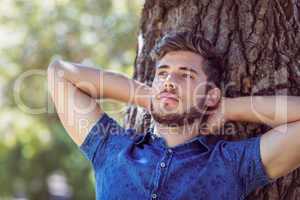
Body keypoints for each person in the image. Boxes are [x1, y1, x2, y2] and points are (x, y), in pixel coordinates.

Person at [47, 31, 300, 199]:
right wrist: (150, 97)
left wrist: (228, 108)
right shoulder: (111, 148)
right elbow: (60, 72)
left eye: (186, 75)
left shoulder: (233, 164)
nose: (169, 81)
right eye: (163, 73)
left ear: (211, 94)